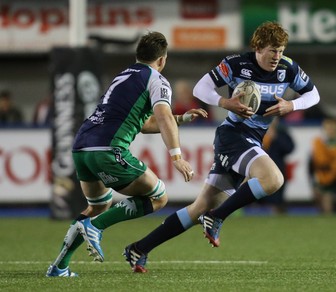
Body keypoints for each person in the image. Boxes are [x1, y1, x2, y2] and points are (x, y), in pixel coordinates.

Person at [121, 21, 320, 273]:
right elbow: (200, 88)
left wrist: (292, 106)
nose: (277, 56)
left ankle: (139, 248)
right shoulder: (237, 64)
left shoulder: (288, 68)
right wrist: (224, 102)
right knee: (273, 178)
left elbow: (313, 95)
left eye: (280, 50)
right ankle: (217, 217)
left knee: (198, 208)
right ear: (258, 47)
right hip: (234, 135)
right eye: (272, 50)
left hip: (252, 138)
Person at [46, 31, 208, 277]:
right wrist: (177, 156)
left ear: (138, 55)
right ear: (162, 59)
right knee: (158, 197)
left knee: (98, 205)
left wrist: (180, 119)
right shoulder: (157, 79)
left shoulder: (123, 76)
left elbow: (143, 123)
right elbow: (162, 117)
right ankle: (96, 228)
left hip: (82, 147)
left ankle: (59, 266)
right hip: (109, 149)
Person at [258, 117, 295, 214]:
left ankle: (277, 210)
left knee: (277, 193)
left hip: (278, 167)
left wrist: (276, 137)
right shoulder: (257, 130)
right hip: (259, 168)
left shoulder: (281, 132)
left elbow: (290, 148)